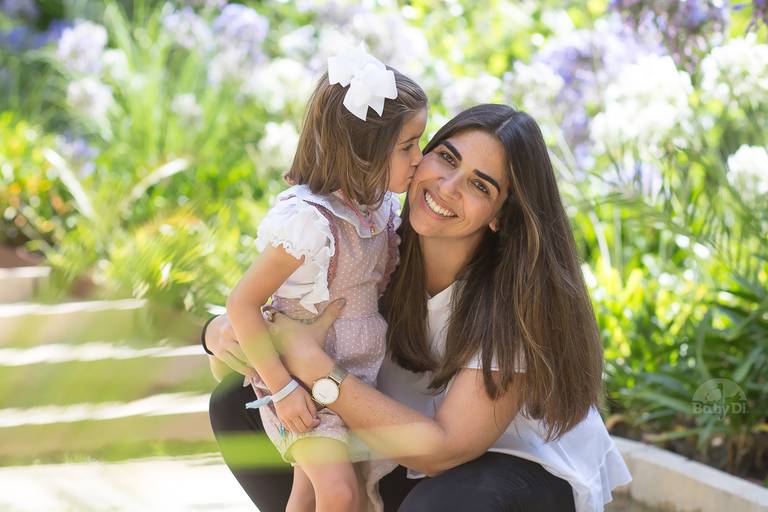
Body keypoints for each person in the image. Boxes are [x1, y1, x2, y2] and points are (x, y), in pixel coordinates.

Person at [204, 104, 632, 511]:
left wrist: (310, 362)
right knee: (236, 403)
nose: (447, 188)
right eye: (446, 158)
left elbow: (443, 451)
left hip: (516, 468)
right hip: (402, 449)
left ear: (501, 214)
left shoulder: (517, 297)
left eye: (479, 185)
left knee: (445, 504)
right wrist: (221, 332)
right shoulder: (373, 237)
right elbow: (259, 312)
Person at [220, 45, 427, 512]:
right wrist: (283, 388)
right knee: (338, 492)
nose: (420, 158)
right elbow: (241, 304)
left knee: (310, 491)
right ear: (363, 151)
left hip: (353, 376)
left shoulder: (378, 210)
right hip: (300, 379)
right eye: (408, 147)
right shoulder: (310, 223)